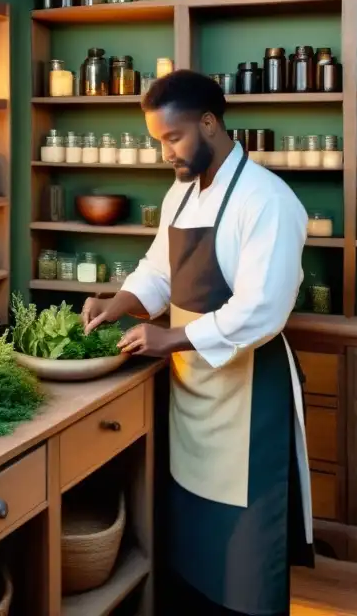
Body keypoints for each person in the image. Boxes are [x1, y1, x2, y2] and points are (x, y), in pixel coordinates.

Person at [81, 70, 314, 615]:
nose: (165, 153)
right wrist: (119, 303)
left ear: (209, 123)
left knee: (247, 545)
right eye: (157, 140)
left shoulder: (267, 200)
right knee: (192, 528)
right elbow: (159, 271)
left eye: (173, 138)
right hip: (193, 387)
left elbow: (262, 310)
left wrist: (171, 337)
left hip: (249, 393)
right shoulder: (181, 195)